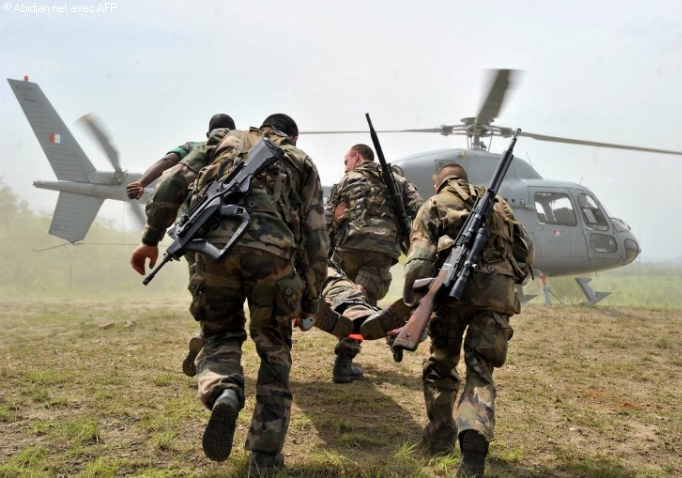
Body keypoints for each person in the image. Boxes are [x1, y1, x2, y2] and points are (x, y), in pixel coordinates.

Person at [129, 113, 328, 477]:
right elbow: (316, 235)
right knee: (274, 350)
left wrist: (150, 239)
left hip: (213, 250)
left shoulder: (224, 140)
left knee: (220, 336)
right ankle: (264, 454)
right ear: (293, 138)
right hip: (274, 257)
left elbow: (173, 182)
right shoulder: (301, 160)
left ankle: (225, 391)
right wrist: (311, 299)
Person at [403, 163, 534, 477]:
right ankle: (473, 448)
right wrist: (503, 280)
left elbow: (419, 262)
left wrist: (414, 304)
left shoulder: (435, 203)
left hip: (451, 295)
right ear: (465, 179)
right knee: (480, 371)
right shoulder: (498, 204)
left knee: (441, 363)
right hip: (496, 296)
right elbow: (526, 253)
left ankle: (440, 437)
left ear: (439, 184)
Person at [126, 113, 236, 378]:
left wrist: (142, 182)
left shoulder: (196, 147)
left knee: (203, 287)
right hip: (235, 233)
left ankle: (206, 335)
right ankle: (210, 341)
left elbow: (167, 164)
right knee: (233, 291)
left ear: (209, 132)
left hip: (194, 234)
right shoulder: (242, 150)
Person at [324, 143, 423, 383]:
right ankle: (347, 359)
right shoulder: (398, 181)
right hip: (381, 249)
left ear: (356, 157)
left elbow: (328, 218)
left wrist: (323, 253)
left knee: (347, 299)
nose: (345, 168)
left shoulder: (346, 181)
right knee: (363, 299)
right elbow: (420, 211)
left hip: (348, 247)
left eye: (346, 162)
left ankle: (350, 354)